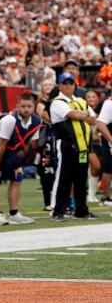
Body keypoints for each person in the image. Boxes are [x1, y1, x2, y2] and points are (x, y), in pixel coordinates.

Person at [0, 93, 40, 225]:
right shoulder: (10, 120)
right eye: (23, 106)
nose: (26, 109)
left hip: (4, 149)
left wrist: (18, 164)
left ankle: (14, 213)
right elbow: (2, 144)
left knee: (18, 175)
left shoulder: (36, 121)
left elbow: (27, 144)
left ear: (34, 107)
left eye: (29, 106)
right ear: (17, 106)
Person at [49, 73, 97, 221]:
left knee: (81, 179)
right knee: (63, 178)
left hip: (82, 145)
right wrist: (84, 114)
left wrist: (83, 114)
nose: (69, 85)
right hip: (66, 144)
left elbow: (93, 119)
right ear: (60, 85)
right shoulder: (57, 102)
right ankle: (57, 210)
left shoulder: (80, 100)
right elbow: (74, 114)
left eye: (71, 83)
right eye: (65, 83)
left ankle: (81, 210)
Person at [35, 79, 57, 211]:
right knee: (46, 170)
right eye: (45, 84)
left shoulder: (56, 101)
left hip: (56, 137)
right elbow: (49, 119)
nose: (48, 87)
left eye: (50, 84)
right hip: (46, 139)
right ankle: (47, 202)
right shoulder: (41, 103)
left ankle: (57, 200)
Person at [95, 95, 112, 206]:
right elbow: (100, 124)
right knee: (109, 168)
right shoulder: (109, 103)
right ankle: (106, 196)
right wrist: (111, 140)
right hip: (109, 142)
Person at [85, 90, 101, 203]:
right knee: (96, 166)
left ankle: (91, 195)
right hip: (87, 143)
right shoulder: (83, 110)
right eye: (89, 97)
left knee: (95, 170)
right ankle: (88, 195)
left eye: (93, 97)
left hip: (100, 144)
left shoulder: (101, 111)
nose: (91, 99)